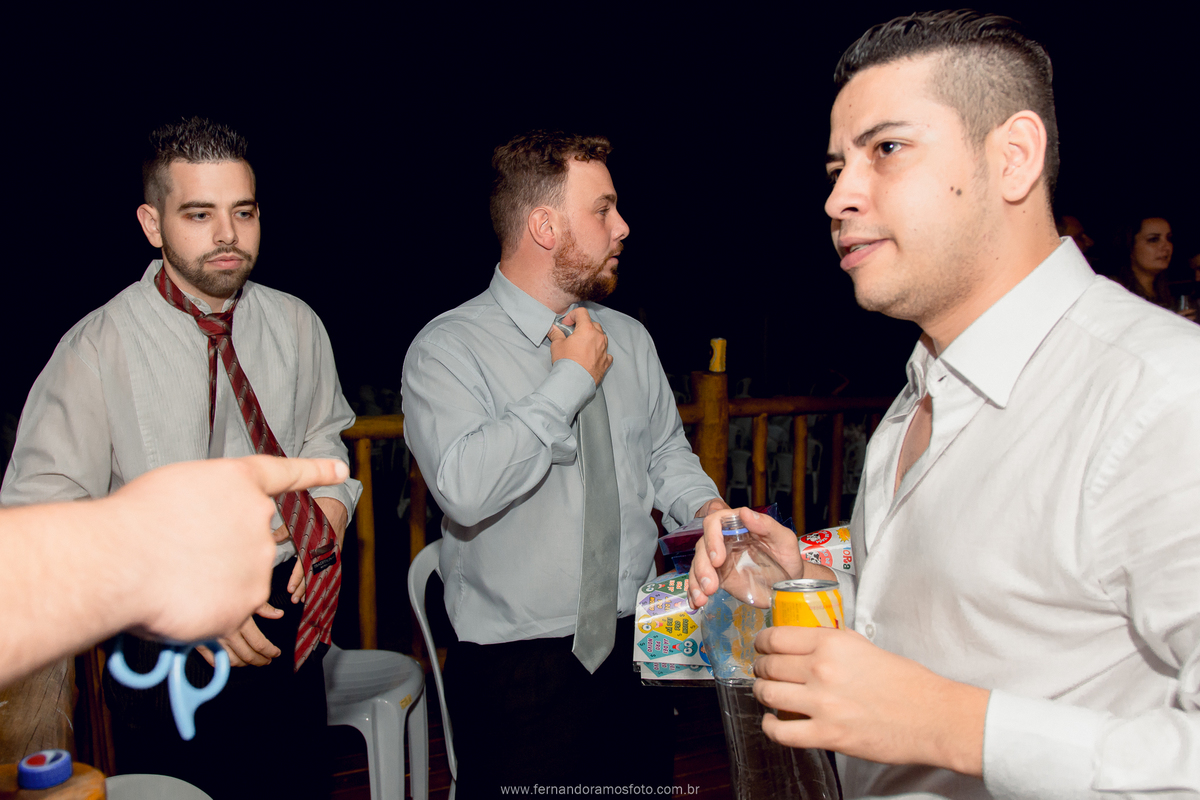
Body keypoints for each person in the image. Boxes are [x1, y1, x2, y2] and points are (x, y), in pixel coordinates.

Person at [689, 11, 1200, 798]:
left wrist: (951, 725)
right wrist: (807, 586)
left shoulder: (1162, 395)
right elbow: (949, 629)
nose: (837, 198)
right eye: (835, 168)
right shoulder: (914, 400)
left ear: (1013, 157)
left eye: (886, 150)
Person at [1, 117, 361, 799]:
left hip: (286, 623)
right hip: (158, 649)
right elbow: (37, 514)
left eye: (243, 212)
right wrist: (169, 592)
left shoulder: (296, 324)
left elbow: (326, 436)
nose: (227, 235)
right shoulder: (95, 348)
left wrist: (331, 509)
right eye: (199, 214)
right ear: (152, 224)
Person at [402, 130, 726, 794]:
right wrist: (568, 383)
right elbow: (464, 489)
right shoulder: (447, 349)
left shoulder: (630, 339)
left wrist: (707, 508)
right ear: (545, 226)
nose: (623, 226)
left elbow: (665, 452)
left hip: (641, 647)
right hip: (515, 671)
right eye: (602, 209)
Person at [0, 456, 349, 689]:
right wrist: (144, 562)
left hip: (287, 597)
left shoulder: (304, 340)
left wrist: (333, 500)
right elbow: (35, 496)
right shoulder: (92, 348)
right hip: (152, 638)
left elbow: (323, 435)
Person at [1115, 214, 1175, 308]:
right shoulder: (1115, 291)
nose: (1166, 247)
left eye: (1169, 238)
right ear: (1130, 246)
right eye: (1154, 240)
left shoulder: (1168, 291)